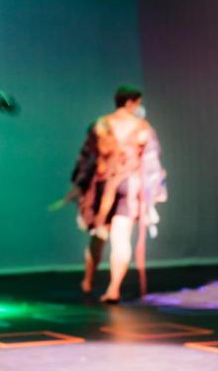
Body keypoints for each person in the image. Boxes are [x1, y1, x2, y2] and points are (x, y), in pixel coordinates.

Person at [69, 86, 167, 302]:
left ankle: (88, 281)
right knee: (120, 237)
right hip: (128, 185)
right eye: (139, 103)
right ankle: (113, 289)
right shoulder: (142, 128)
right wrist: (156, 193)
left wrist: (79, 184)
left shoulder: (100, 125)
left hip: (104, 185)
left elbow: (86, 159)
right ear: (132, 102)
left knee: (99, 235)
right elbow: (151, 163)